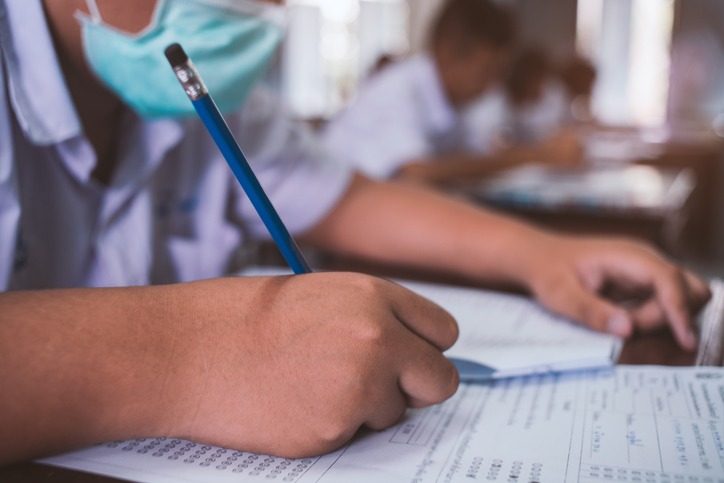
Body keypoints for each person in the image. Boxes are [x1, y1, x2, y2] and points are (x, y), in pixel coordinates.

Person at [0, 0, 711, 466]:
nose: (261, 9)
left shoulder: (210, 95)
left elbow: (347, 194)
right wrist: (193, 352)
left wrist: (541, 253)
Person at [322, 0, 578, 185]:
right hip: (323, 245)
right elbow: (417, 173)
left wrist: (537, 153)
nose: (492, 84)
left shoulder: (459, 102)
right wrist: (538, 156)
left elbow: (477, 156)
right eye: (487, 70)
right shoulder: (399, 89)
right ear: (446, 54)